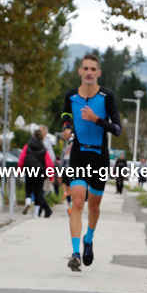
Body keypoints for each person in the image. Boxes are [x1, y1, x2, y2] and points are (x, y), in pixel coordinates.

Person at [61, 53, 121, 271]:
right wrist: (66, 129)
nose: (88, 72)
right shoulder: (71, 95)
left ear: (99, 73)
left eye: (92, 69)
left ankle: (89, 239)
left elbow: (117, 128)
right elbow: (66, 115)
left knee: (94, 206)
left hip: (99, 157)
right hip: (78, 154)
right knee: (77, 202)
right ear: (80, 71)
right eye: (85, 68)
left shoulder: (106, 96)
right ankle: (75, 253)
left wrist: (97, 119)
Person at [19, 126, 55, 218]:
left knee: (28, 189)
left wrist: (20, 170)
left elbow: (21, 159)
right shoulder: (43, 149)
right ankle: (36, 214)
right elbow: (49, 163)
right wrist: (51, 176)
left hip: (29, 169)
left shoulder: (27, 146)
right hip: (40, 172)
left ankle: (27, 202)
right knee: (38, 192)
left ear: (33, 135)